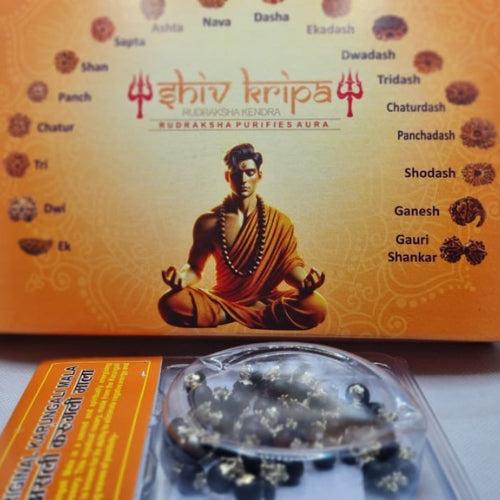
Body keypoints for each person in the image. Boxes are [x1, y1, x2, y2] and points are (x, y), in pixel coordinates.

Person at [158, 143, 327, 330]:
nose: (243, 179)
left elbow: (290, 267)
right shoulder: (209, 222)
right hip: (224, 298)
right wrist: (182, 279)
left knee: (315, 306)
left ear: (259, 175)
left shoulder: (280, 221)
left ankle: (231, 315)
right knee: (171, 303)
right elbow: (194, 267)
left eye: (250, 173)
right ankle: (253, 312)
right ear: (227, 177)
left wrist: (305, 282)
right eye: (237, 174)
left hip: (266, 298)